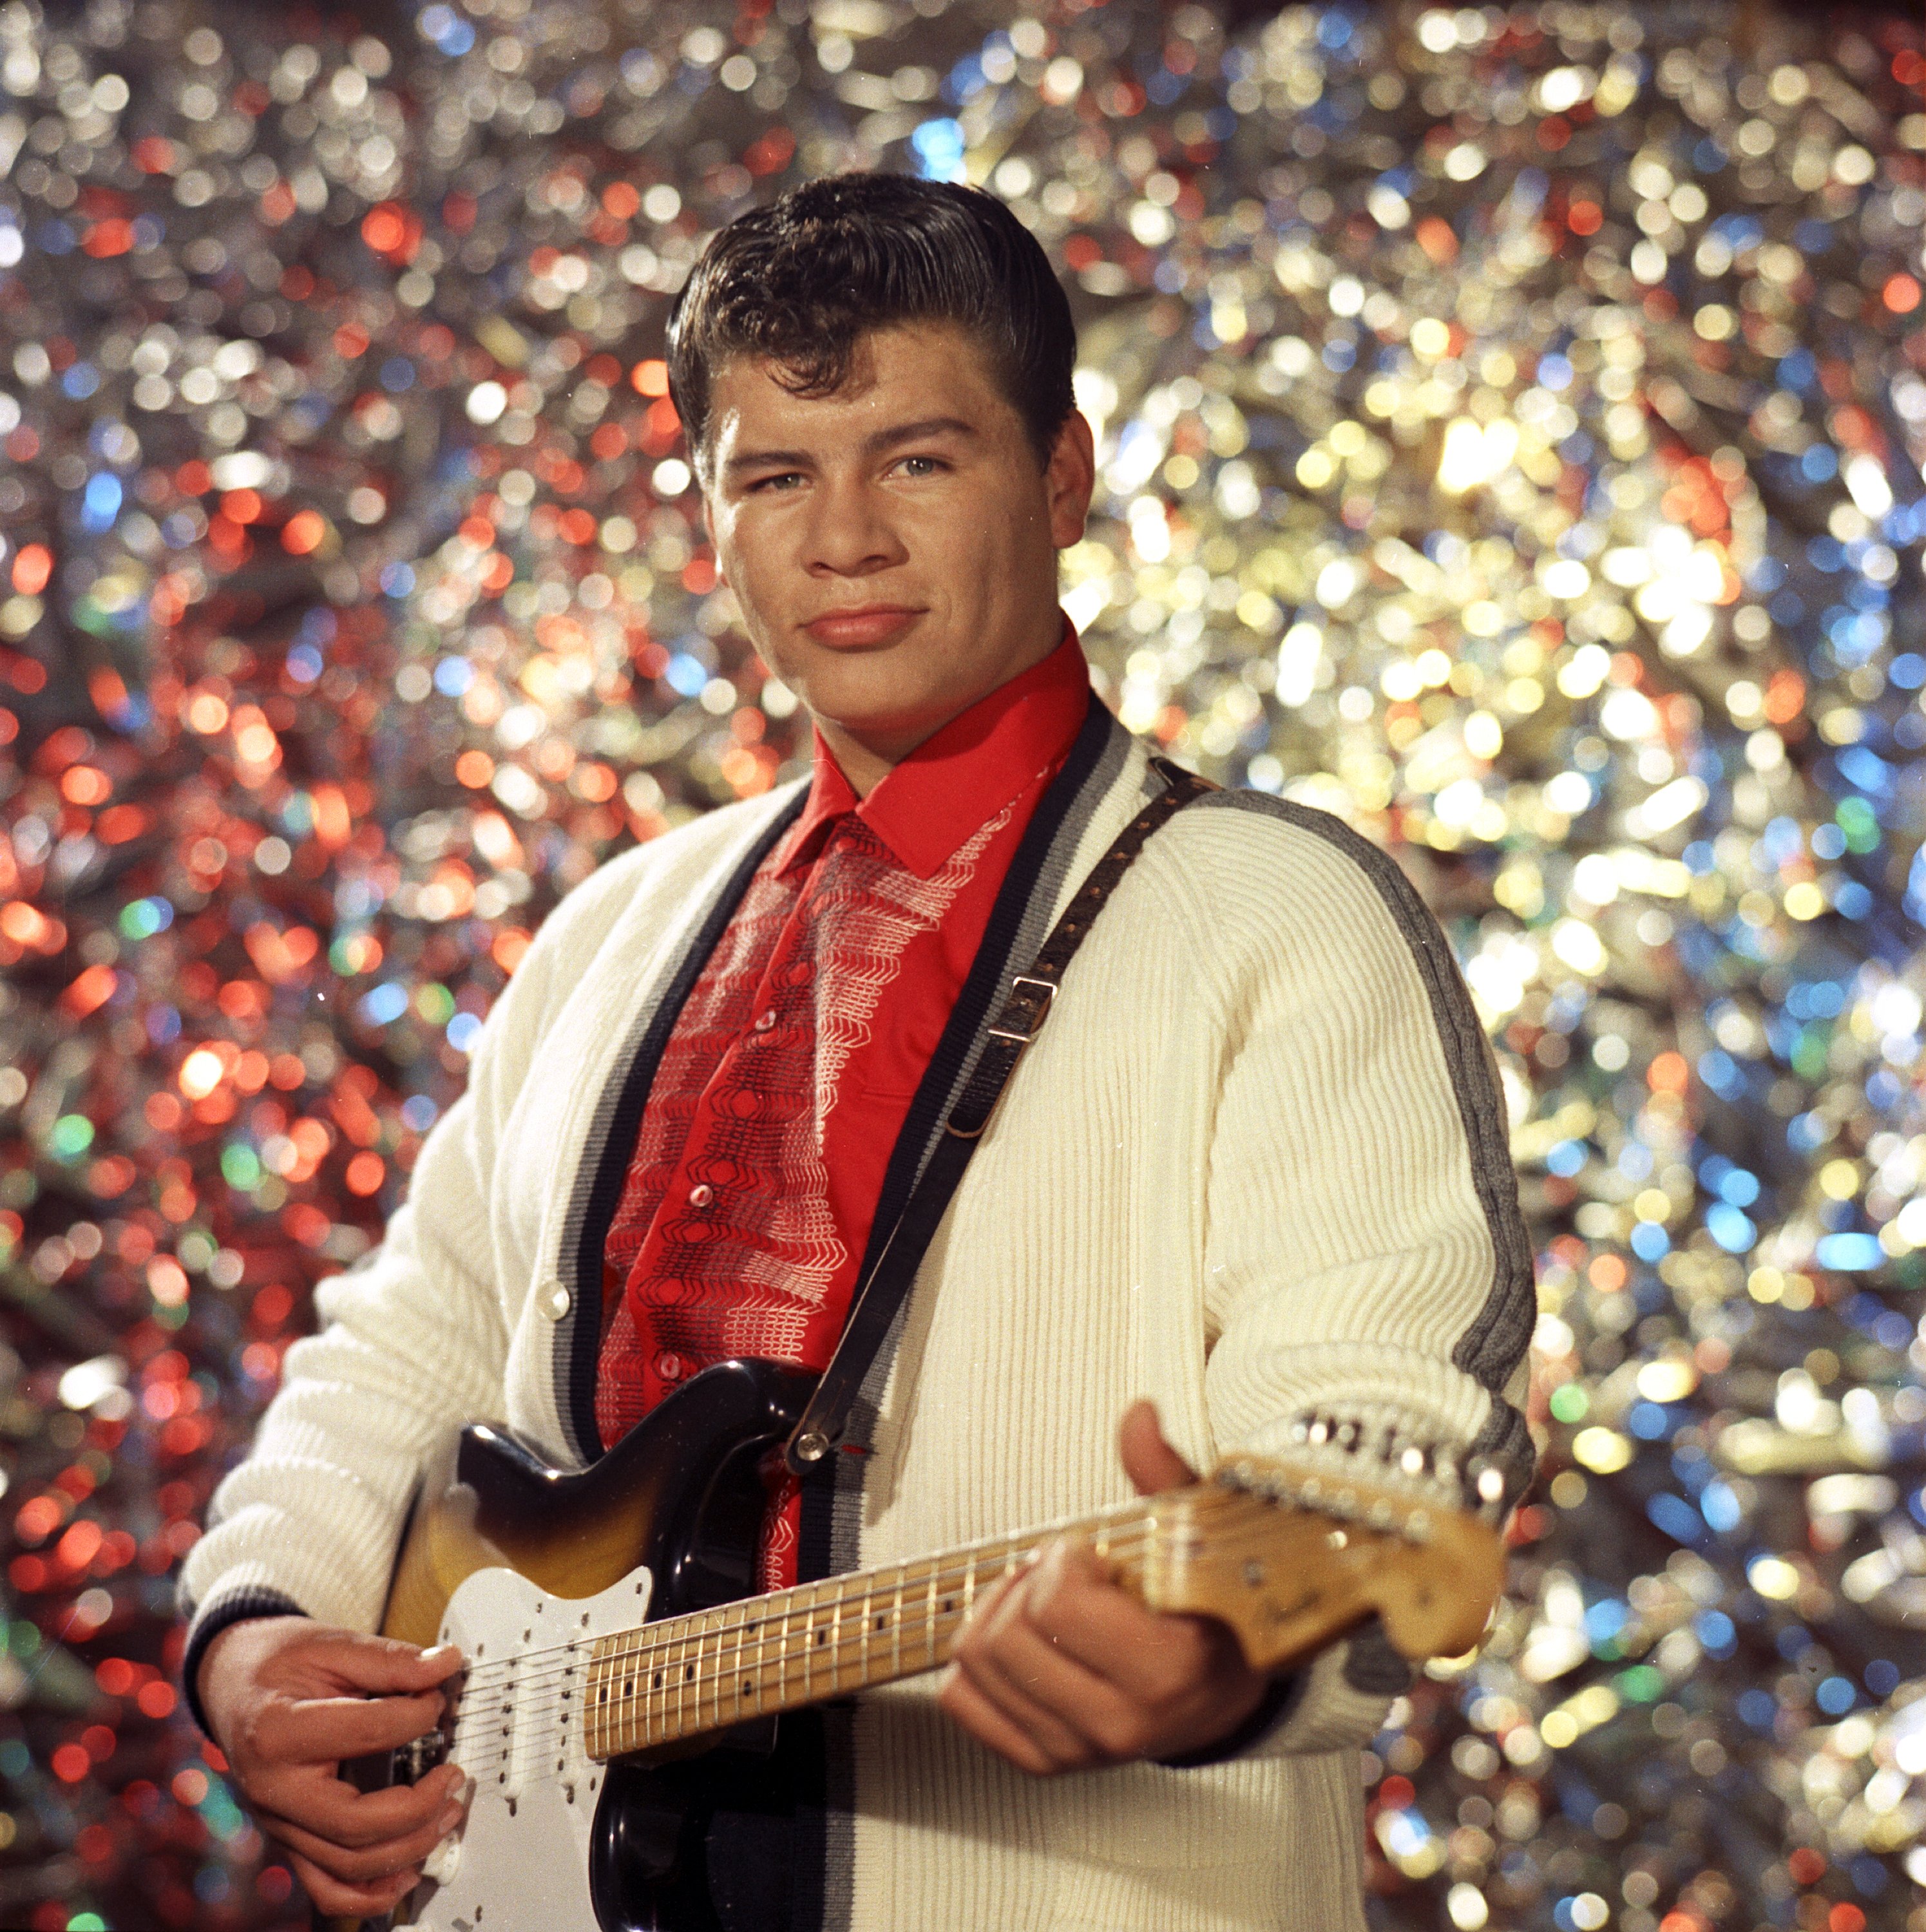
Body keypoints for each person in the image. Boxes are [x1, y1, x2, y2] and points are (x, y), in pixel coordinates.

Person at [180, 173, 1533, 1931]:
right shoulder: (618, 924)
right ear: (709, 518)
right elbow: (410, 1344)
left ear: (1063, 474)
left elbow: (1387, 1439)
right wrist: (256, 1630)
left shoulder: (1285, 916)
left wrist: (1231, 1643)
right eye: (773, 476)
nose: (844, 540)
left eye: (918, 459)